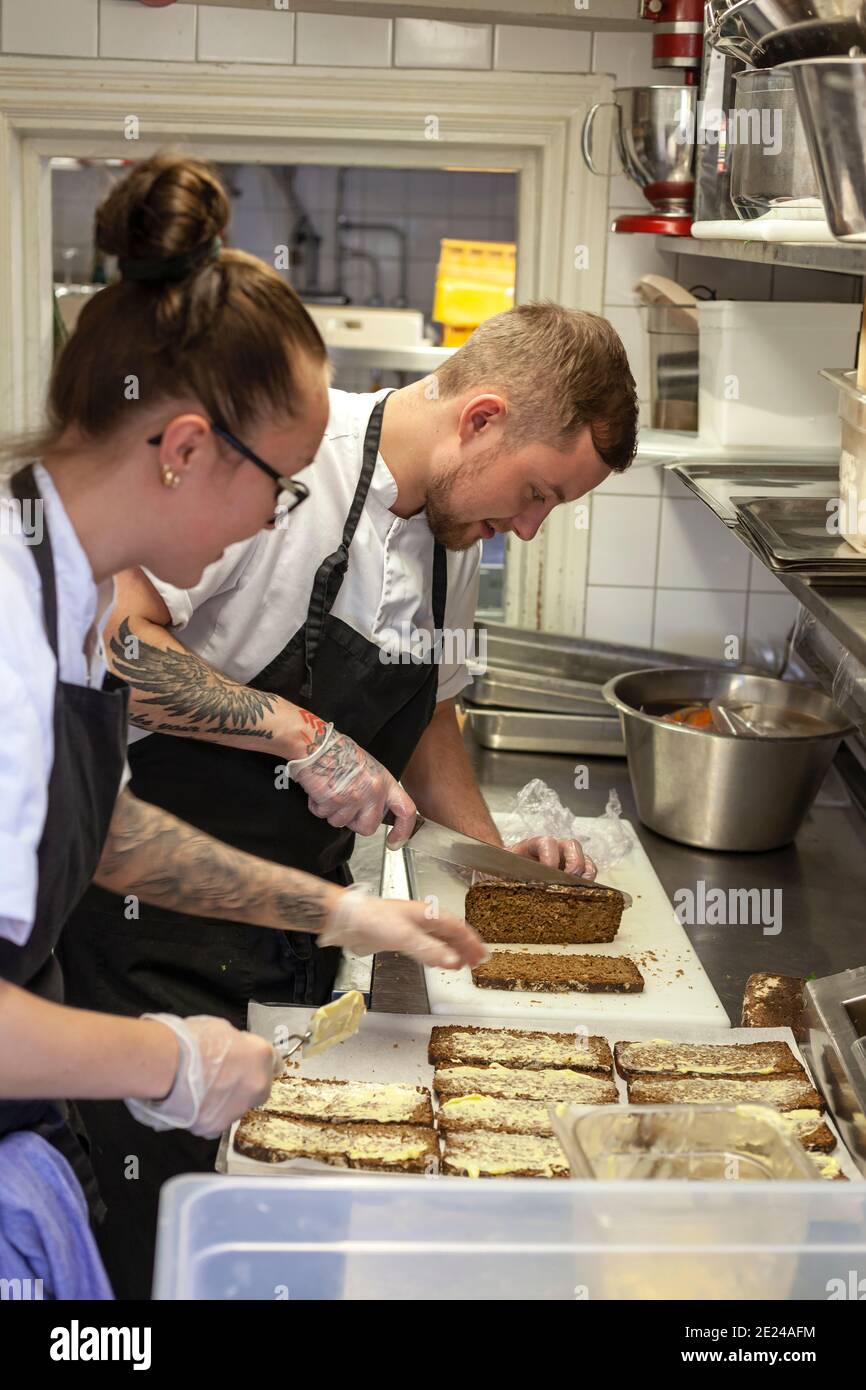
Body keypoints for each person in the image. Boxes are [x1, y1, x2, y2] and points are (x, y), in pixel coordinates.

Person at [62, 296, 638, 1297]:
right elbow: (119, 643)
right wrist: (301, 734)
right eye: (537, 491)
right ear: (480, 419)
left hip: (294, 933)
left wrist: (496, 868)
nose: (531, 528)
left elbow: (428, 719)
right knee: (172, 1240)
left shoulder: (457, 533)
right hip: (151, 934)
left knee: (283, 1228)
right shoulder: (280, 459)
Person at [0, 152, 483, 1298]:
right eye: (280, 481)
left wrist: (338, 908)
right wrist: (167, 1059)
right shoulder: (9, 625)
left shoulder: (64, 588)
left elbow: (101, 833)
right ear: (181, 449)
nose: (279, 511)